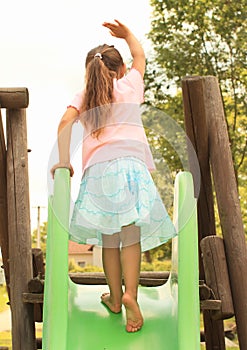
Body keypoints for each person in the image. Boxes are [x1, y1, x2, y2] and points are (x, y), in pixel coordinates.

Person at [51, 19, 176, 333]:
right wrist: (128, 35)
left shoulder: (85, 95)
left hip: (100, 173)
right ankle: (132, 293)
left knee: (109, 239)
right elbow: (141, 58)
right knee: (130, 237)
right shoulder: (129, 85)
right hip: (133, 168)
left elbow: (65, 123)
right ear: (120, 69)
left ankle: (116, 298)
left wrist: (64, 161)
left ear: (89, 72)